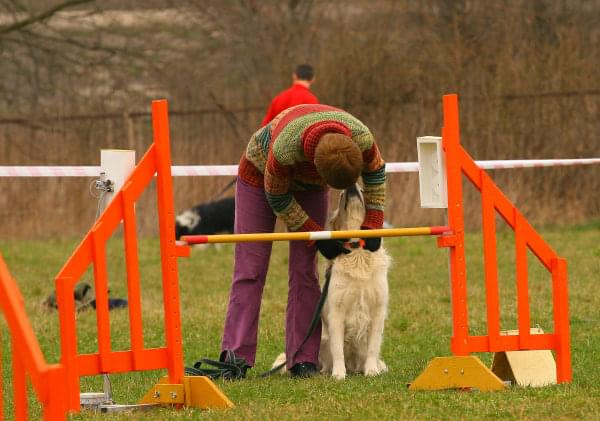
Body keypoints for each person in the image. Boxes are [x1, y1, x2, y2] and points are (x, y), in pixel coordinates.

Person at [220, 103, 386, 378]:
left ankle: (303, 359)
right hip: (260, 177)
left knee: (305, 270)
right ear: (316, 168)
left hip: (311, 183)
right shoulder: (285, 149)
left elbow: (377, 173)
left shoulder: (362, 137)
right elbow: (278, 197)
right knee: (250, 269)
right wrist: (314, 233)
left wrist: (374, 223)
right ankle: (235, 357)